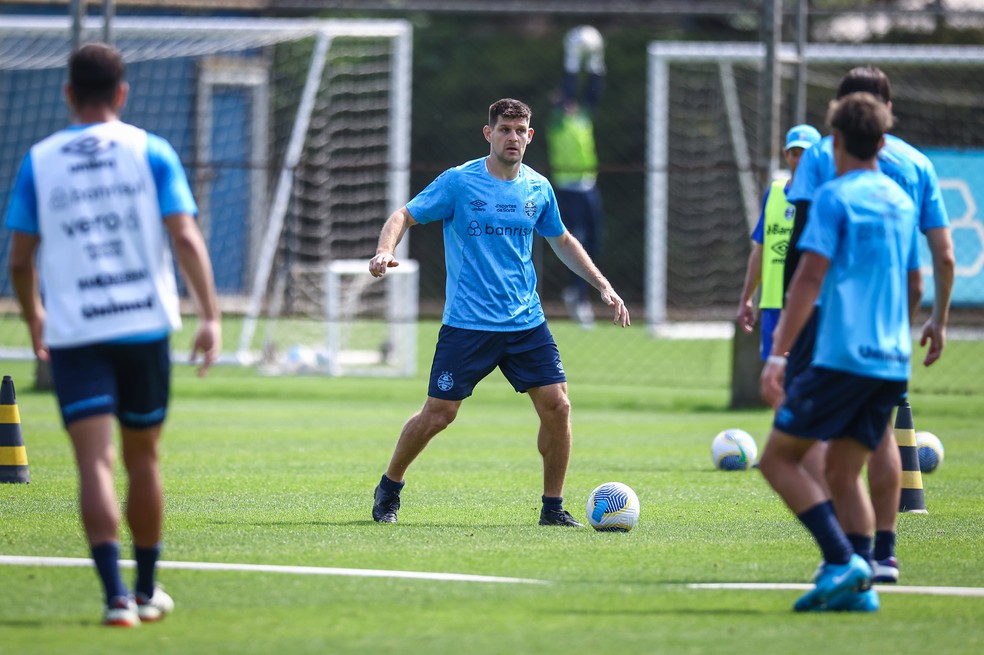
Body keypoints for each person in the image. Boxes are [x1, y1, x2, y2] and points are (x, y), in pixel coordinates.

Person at [4, 43, 221, 627]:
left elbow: (20, 260)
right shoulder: (151, 150)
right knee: (143, 459)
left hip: (77, 333)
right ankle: (148, 589)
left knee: (93, 464)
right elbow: (185, 236)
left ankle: (115, 598)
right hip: (143, 324)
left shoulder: (39, 160)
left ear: (68, 93)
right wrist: (210, 315)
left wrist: (35, 317)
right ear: (122, 93)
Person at [368, 98, 630, 527]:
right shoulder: (459, 182)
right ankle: (390, 485)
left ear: (530, 136)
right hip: (468, 325)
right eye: (504, 129)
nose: (512, 137)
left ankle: (552, 507)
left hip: (526, 322)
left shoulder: (538, 188)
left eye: (520, 130)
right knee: (440, 413)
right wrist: (383, 250)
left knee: (558, 406)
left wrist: (602, 285)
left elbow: (561, 239)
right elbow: (404, 214)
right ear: (489, 134)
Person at [782, 66, 955, 584]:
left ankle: (840, 551)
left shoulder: (822, 162)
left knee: (792, 449)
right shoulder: (915, 170)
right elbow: (940, 259)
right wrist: (931, 322)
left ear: (837, 120)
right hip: (888, 336)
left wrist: (783, 338)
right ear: (888, 112)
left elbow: (805, 253)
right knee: (881, 436)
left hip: (830, 327)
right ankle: (884, 550)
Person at [759, 91, 921, 612]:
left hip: (841, 356)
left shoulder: (834, 196)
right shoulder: (900, 199)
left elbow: (808, 278)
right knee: (842, 472)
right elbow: (915, 280)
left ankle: (840, 558)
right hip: (891, 361)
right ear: (882, 140)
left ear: (834, 141)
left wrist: (779, 355)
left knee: (778, 459)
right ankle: (859, 584)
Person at [736, 124, 821, 360]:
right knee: (775, 382)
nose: (800, 160)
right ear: (786, 155)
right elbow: (761, 250)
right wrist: (746, 298)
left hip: (808, 304)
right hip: (774, 301)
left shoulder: (825, 197)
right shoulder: (774, 193)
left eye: (806, 154)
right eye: (795, 153)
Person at [548, 25, 606, 328]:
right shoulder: (558, 122)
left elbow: (593, 92)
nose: (569, 102)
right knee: (577, 240)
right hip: (567, 188)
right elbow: (570, 89)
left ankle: (580, 292)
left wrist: (595, 60)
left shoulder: (582, 116)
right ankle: (579, 297)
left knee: (595, 240)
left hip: (588, 186)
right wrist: (572, 60)